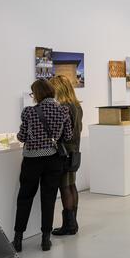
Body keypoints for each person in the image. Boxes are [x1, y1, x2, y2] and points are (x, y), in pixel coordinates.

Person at [13, 79, 73, 252]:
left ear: (37, 94)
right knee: (48, 199)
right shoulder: (63, 110)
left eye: (33, 93)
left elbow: (21, 137)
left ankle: (18, 238)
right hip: (53, 160)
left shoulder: (29, 112)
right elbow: (67, 135)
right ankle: (45, 239)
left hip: (31, 160)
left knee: (25, 197)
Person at [50, 75, 83, 236]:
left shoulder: (63, 107)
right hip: (74, 150)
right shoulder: (77, 106)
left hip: (64, 151)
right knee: (72, 185)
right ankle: (73, 222)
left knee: (65, 187)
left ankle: (69, 225)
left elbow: (63, 133)